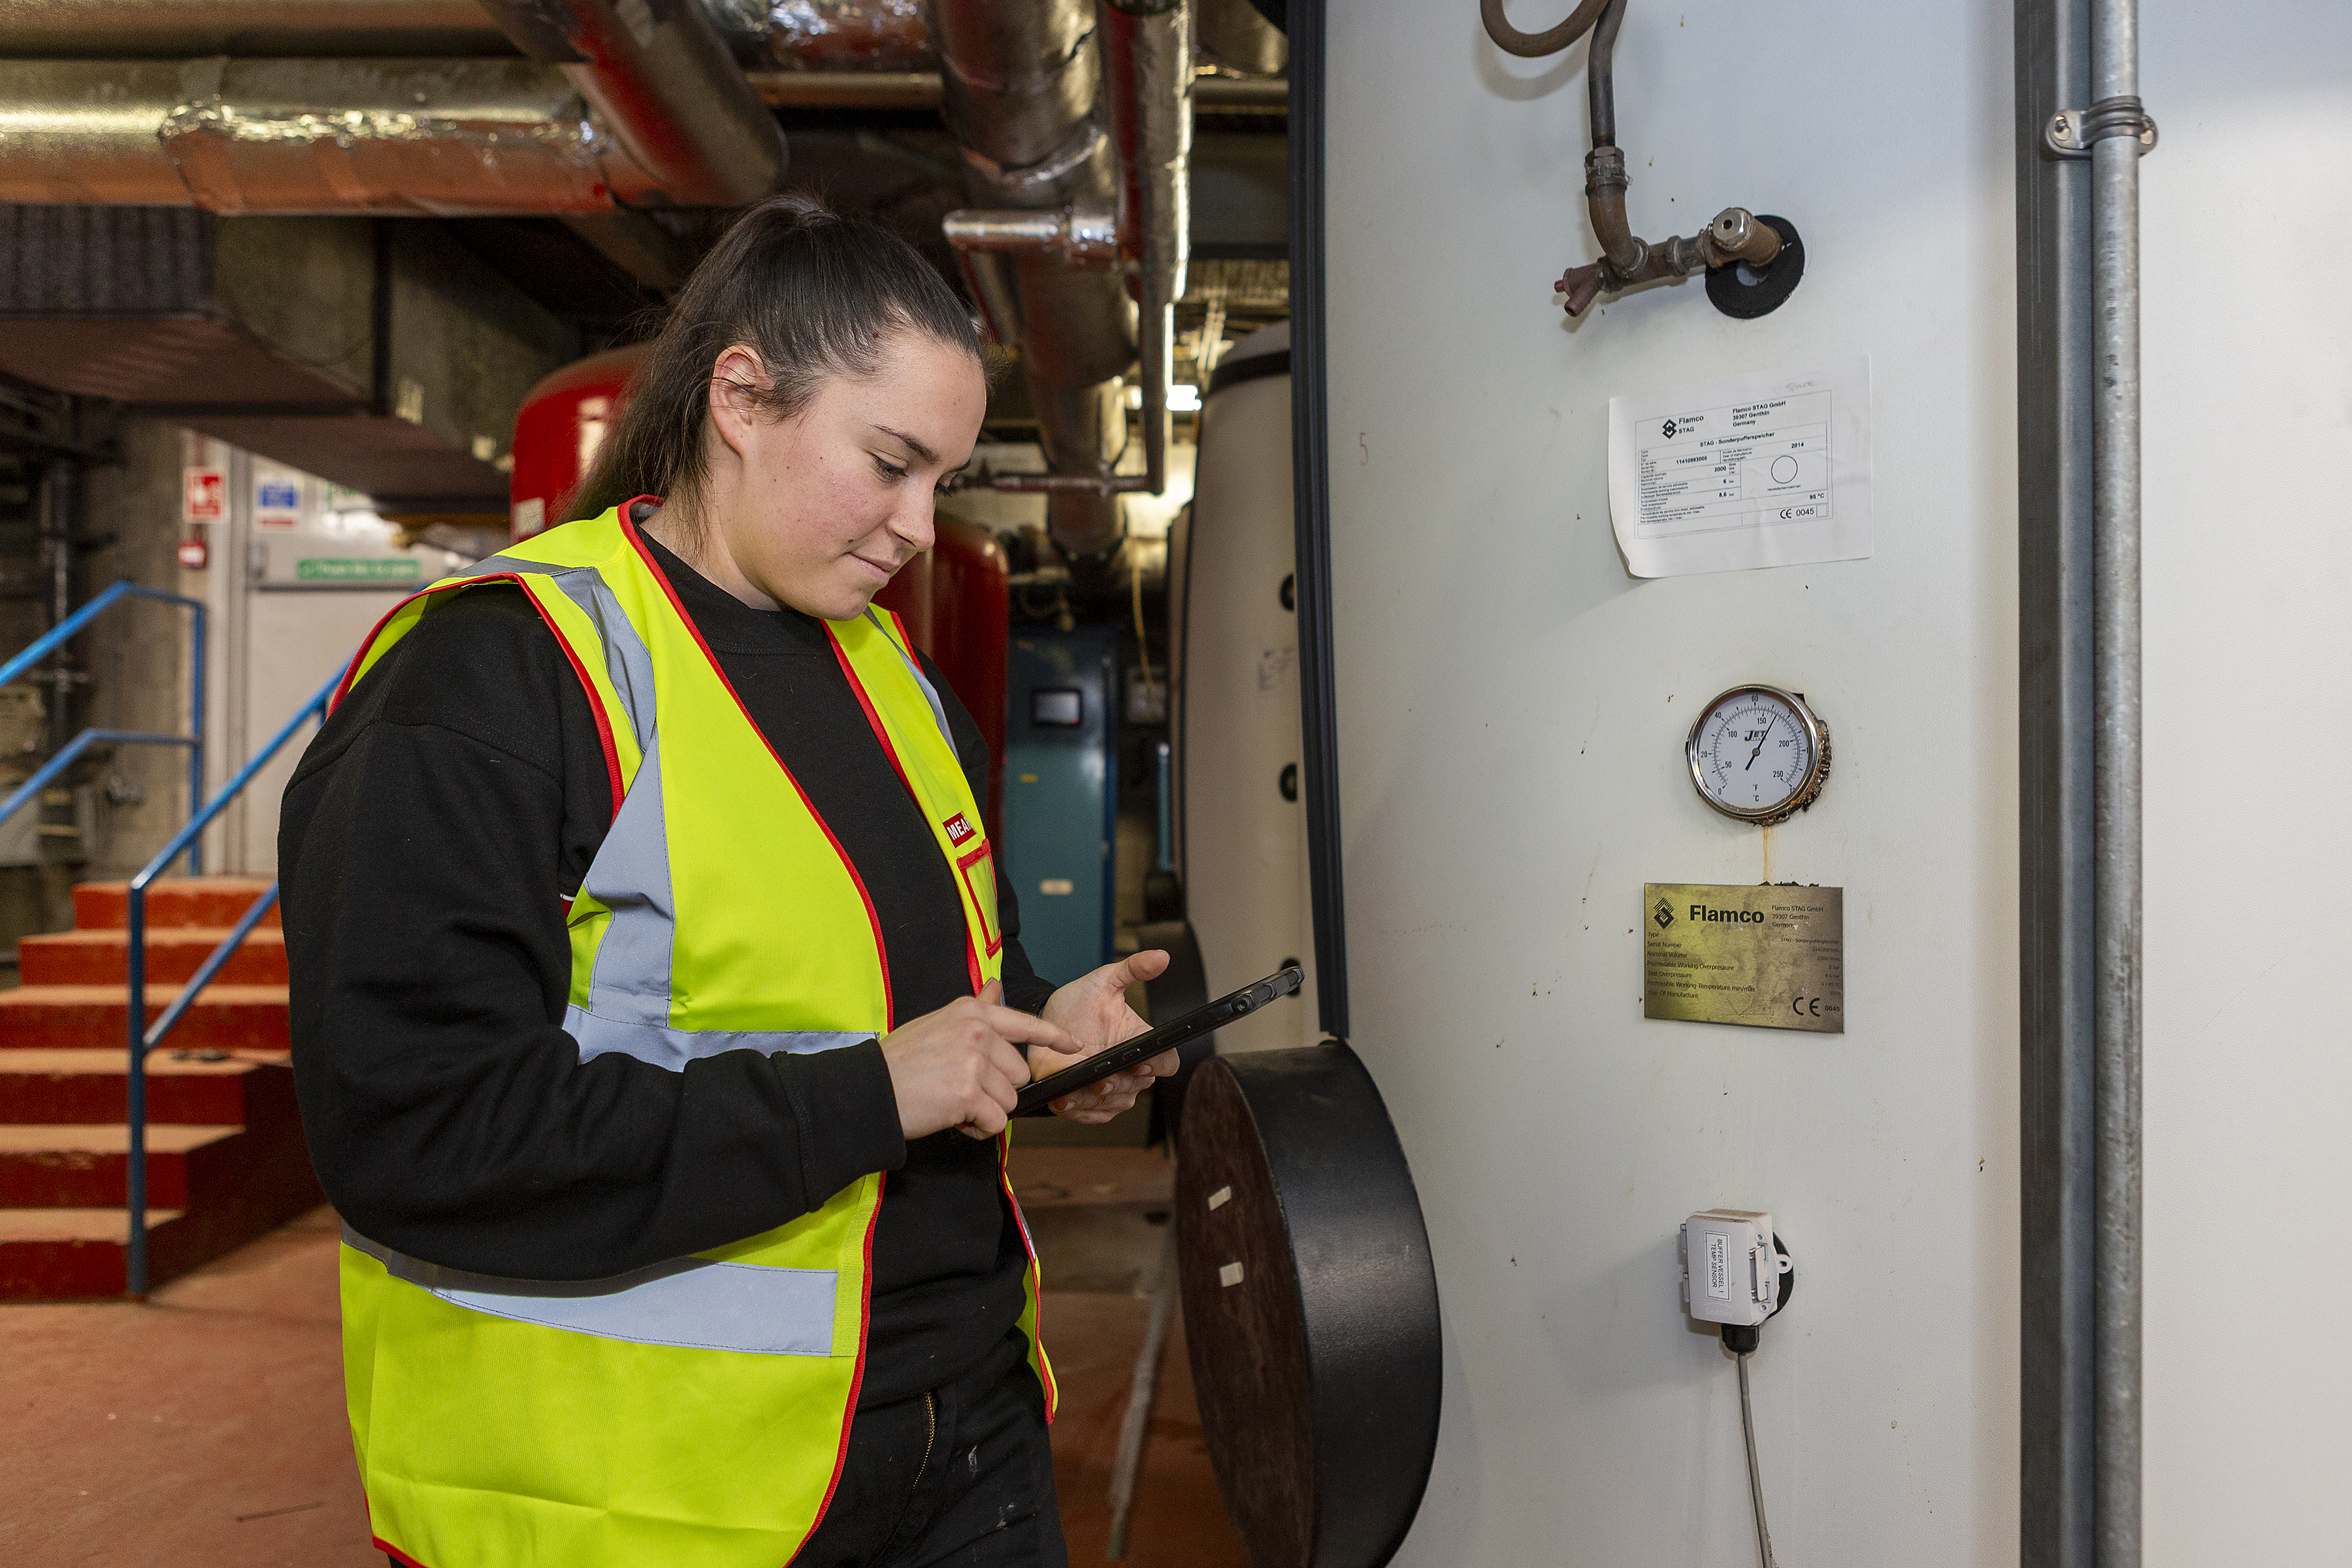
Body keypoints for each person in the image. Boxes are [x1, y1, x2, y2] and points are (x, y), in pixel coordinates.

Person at [282, 194, 1175, 1568]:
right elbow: (420, 1134)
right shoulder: (495, 677)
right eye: (888, 463)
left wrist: (1043, 1031)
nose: (920, 527)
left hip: (963, 1433)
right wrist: (875, 1091)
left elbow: (888, 989)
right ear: (743, 398)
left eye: (942, 480)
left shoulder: (897, 685)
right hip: (644, 1502)